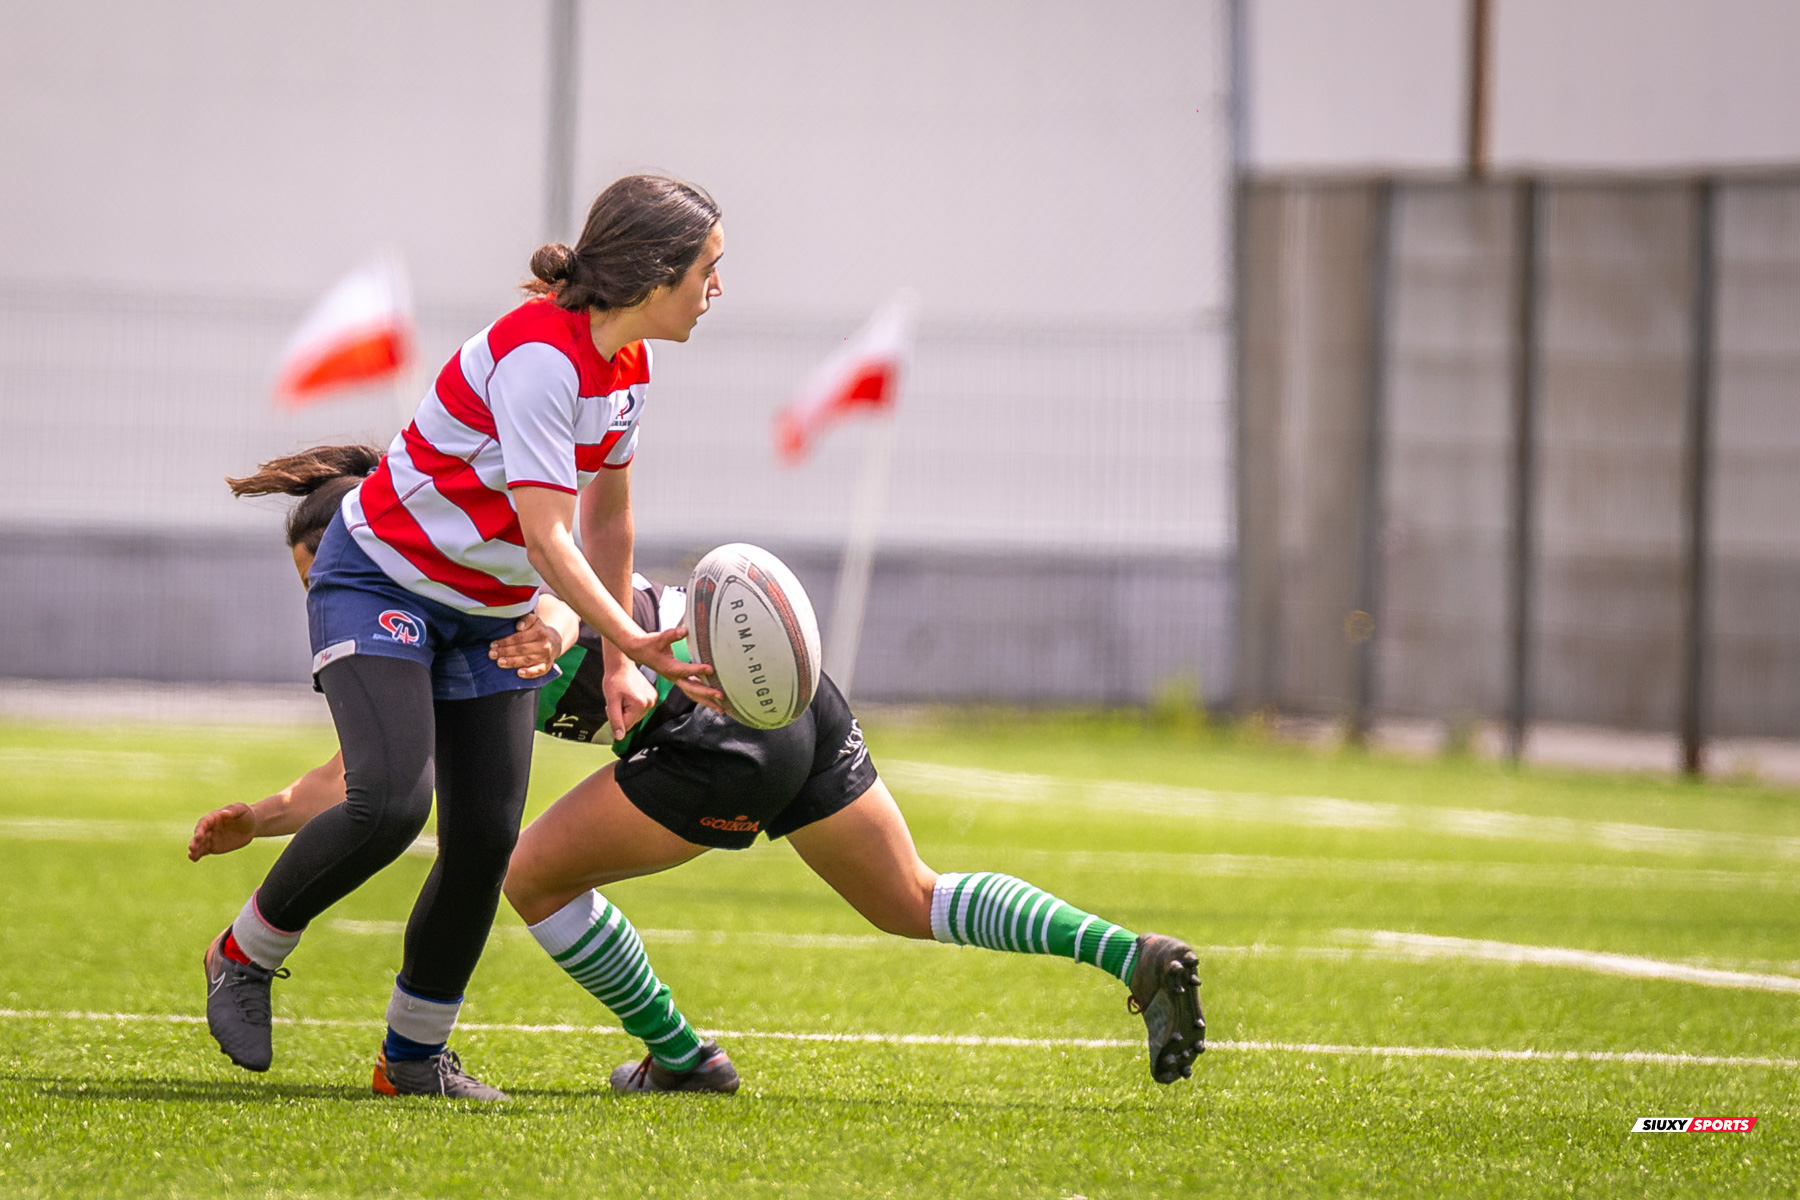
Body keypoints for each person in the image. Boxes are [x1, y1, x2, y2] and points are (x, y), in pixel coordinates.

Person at [195, 486, 1208, 1095]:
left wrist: (284, 811)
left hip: (716, 737)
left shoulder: (461, 589)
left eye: (321, 568)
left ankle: (678, 1056)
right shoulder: (482, 542)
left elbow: (377, 762)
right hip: (797, 699)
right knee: (910, 896)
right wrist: (266, 817)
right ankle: (1130, 953)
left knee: (530, 875)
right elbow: (357, 772)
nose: (324, 591)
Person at [203, 175, 727, 1102]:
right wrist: (635, 640)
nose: (716, 288)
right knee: (391, 804)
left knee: (484, 840)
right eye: (707, 270)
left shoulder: (630, 365)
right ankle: (244, 952)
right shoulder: (541, 359)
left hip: (486, 613)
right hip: (379, 582)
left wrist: (613, 664)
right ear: (655, 273)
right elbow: (546, 534)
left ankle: (410, 1061)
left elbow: (609, 523)